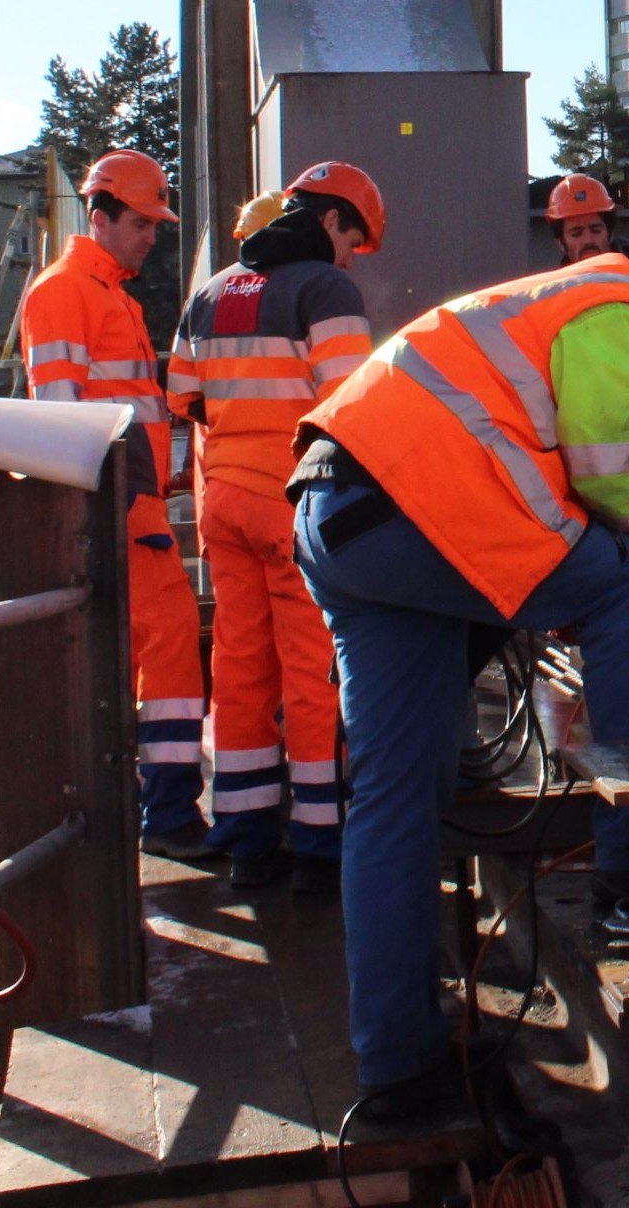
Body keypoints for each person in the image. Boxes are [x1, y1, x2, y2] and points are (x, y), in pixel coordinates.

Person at [288, 228, 629, 1108]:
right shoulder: (627, 304)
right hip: (418, 509)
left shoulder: (557, 303)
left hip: (343, 511)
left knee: (399, 799)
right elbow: (614, 474)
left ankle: (399, 1067)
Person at [167, 161, 384, 894]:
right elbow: (351, 408)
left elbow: (184, 398)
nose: (353, 256)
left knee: (239, 667)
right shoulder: (327, 288)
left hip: (222, 502)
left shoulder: (211, 292)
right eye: (354, 239)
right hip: (290, 505)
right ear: (331, 221)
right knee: (312, 670)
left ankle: (247, 840)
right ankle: (320, 842)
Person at [19, 149, 213, 859]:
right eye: (140, 223)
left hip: (134, 514)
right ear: (97, 216)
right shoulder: (67, 291)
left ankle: (153, 814)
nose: (150, 237)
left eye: (157, 225)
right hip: (119, 518)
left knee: (150, 669)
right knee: (163, 669)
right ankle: (164, 818)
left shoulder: (109, 294)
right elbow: (59, 417)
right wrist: (100, 518)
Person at [544, 172, 629, 266]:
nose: (588, 240)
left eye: (596, 230)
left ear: (611, 234)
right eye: (576, 234)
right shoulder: (555, 284)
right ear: (560, 243)